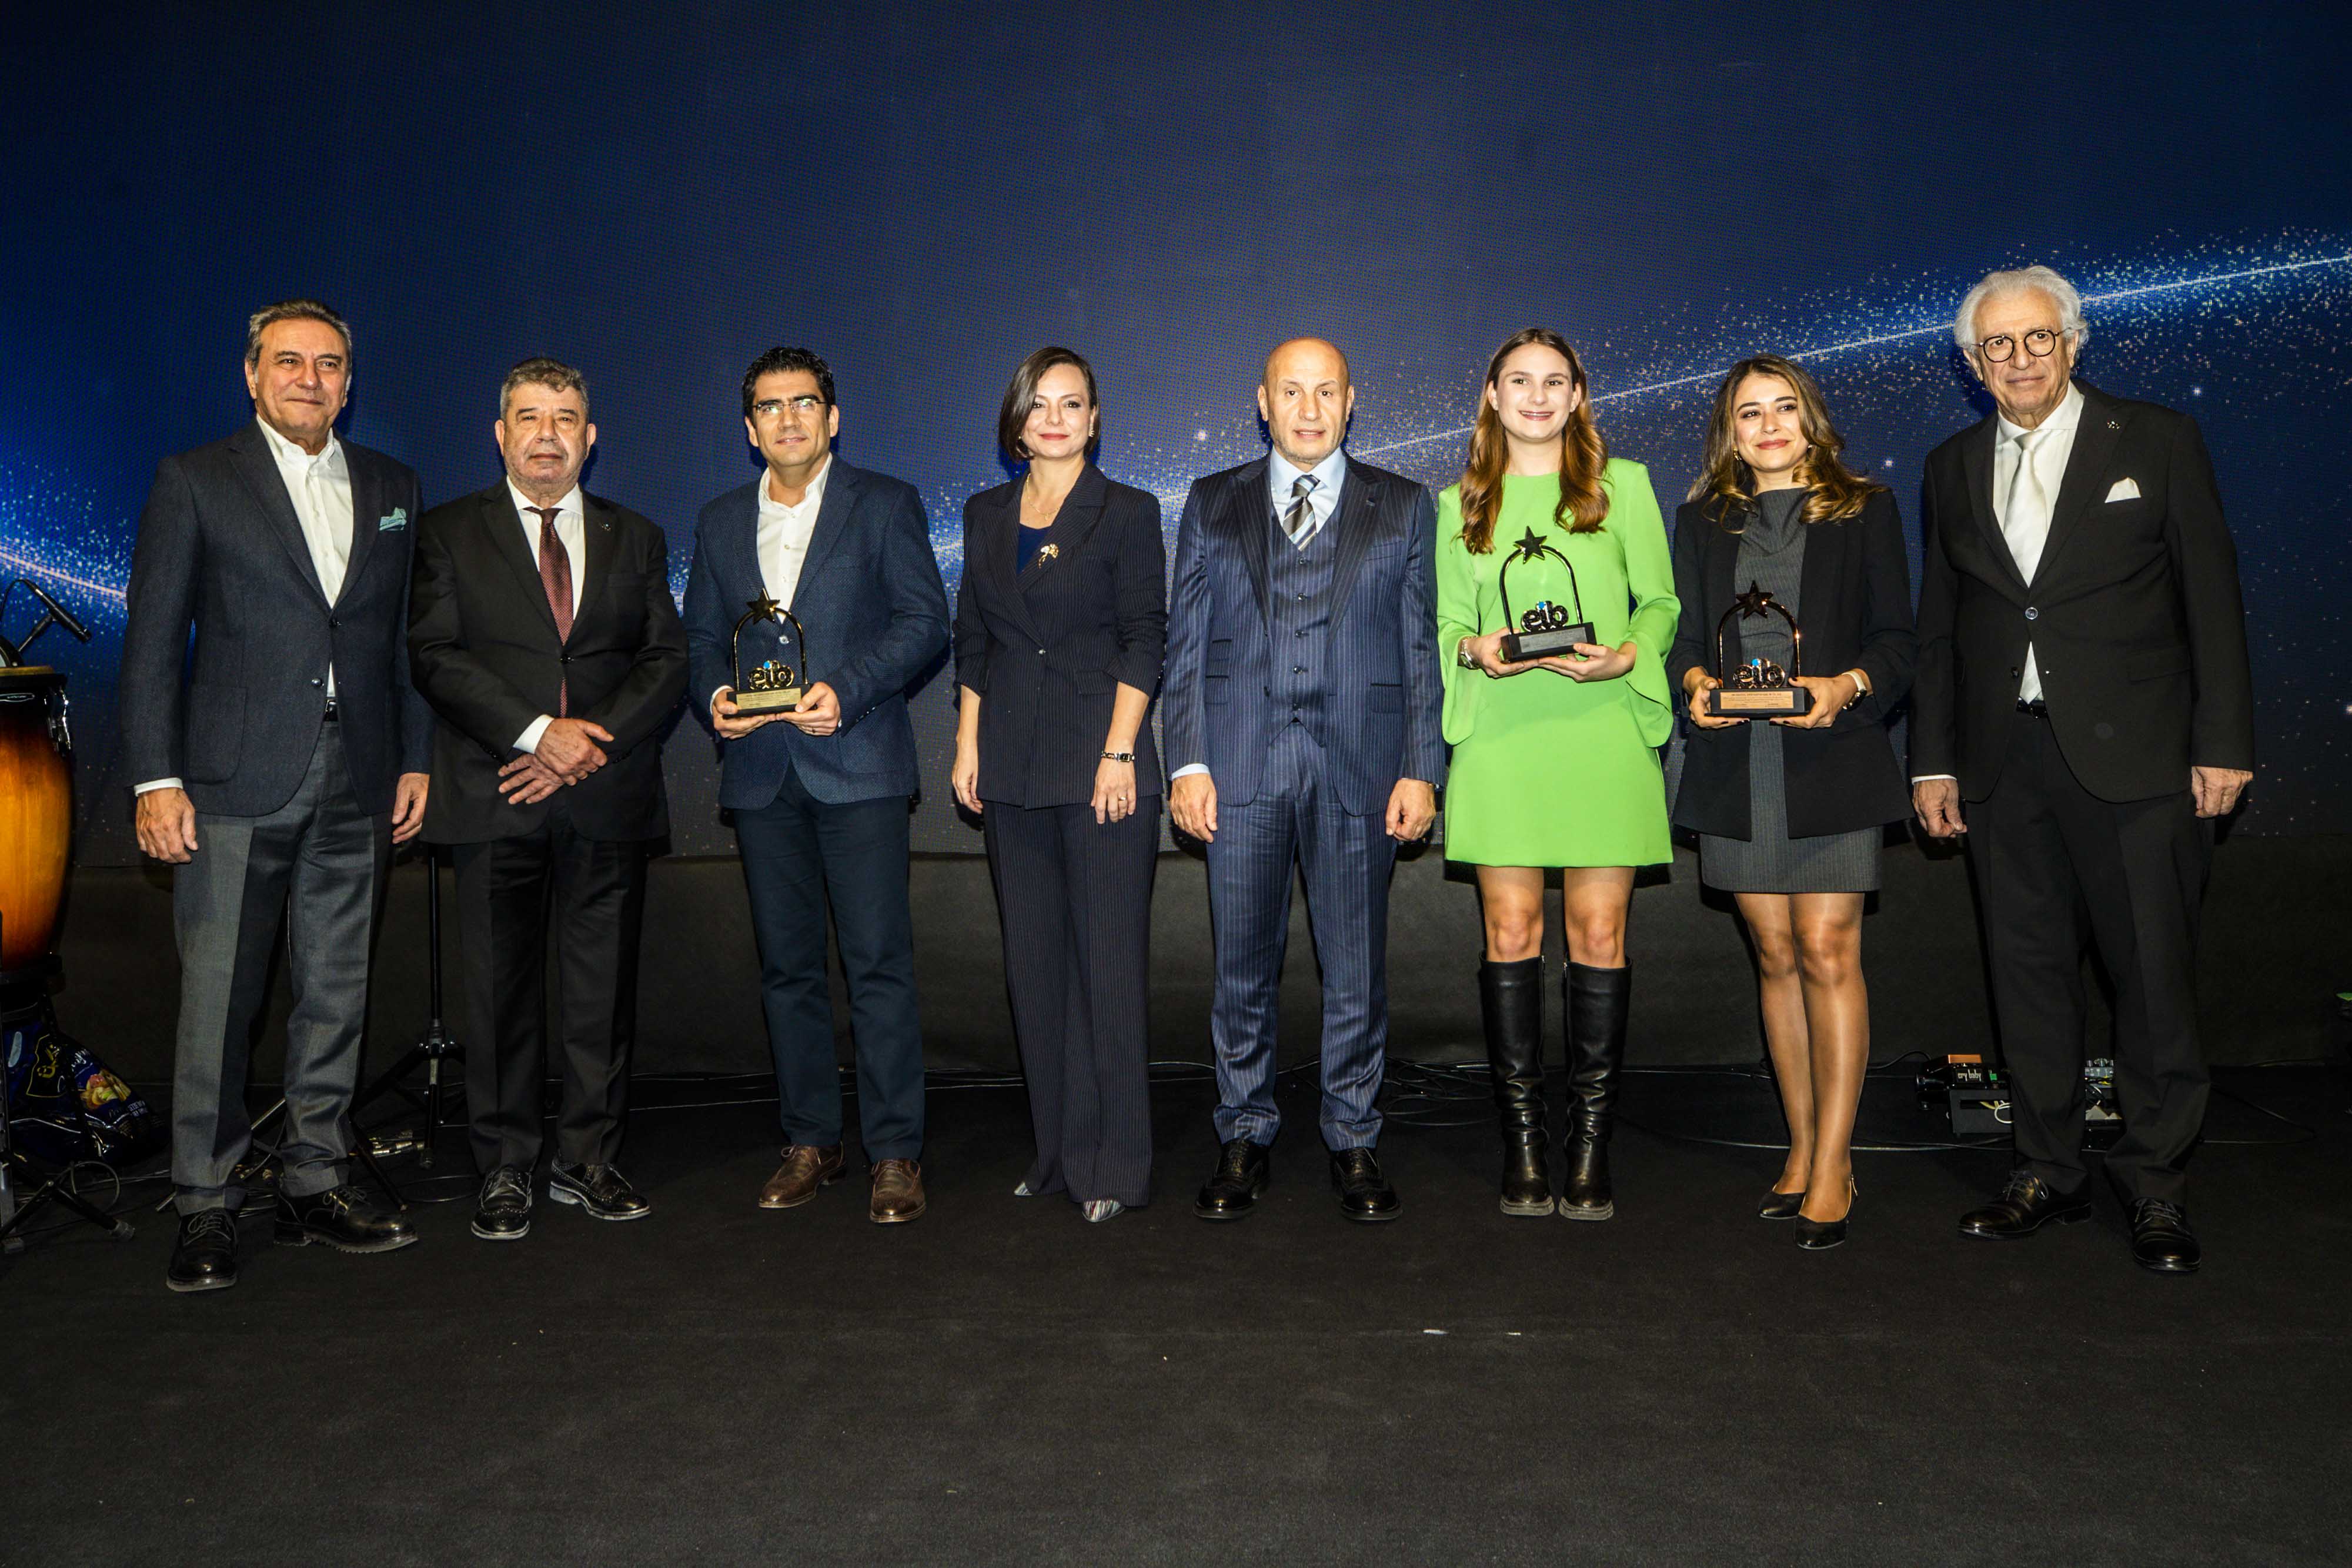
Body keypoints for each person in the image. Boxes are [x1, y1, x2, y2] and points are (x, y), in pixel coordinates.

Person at [1913, 265, 2254, 1275]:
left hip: (2140, 757)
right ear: (1972, 363)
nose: (2019, 359)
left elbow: (2212, 596)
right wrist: (1931, 762)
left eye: (2037, 338)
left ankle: (2155, 1185)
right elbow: (1941, 627)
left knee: (2151, 977)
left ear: (2073, 341)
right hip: (2001, 760)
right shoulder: (1950, 464)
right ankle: (2046, 1170)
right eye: (1997, 345)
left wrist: (2224, 741)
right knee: (2026, 977)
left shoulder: (2156, 439)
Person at [121, 299, 432, 1293]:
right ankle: (206, 1202)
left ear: (349, 382)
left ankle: (314, 1179)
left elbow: (401, 639)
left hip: (362, 772)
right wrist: (156, 778)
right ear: (252, 375)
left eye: (328, 363)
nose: (309, 378)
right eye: (288, 361)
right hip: (231, 781)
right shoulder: (195, 479)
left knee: (337, 992)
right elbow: (153, 640)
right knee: (220, 999)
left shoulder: (392, 485)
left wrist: (415, 758)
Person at [1162, 337, 1442, 1223]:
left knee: (1354, 970)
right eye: (1292, 391)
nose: (1310, 409)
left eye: (1327, 392)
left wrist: (1421, 769)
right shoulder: (1212, 501)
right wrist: (1188, 761)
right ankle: (1244, 1132)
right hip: (1240, 766)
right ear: (1264, 402)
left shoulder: (1404, 504)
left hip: (1362, 769)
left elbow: (1422, 648)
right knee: (1241, 970)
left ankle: (1353, 1137)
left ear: (1351, 402)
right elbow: (1185, 645)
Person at [407, 358, 687, 1241]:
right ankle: (504, 1166)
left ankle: (588, 1159)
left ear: (590, 439)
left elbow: (666, 662)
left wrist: (582, 747)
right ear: (501, 435)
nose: (547, 435)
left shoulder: (636, 536)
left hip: (605, 794)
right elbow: (435, 656)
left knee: (601, 993)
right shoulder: (447, 532)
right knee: (498, 995)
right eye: (530, 417)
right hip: (496, 791)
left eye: (565, 419)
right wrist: (536, 735)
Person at [683, 347, 950, 1224]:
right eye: (771, 406)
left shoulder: (886, 503)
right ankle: (811, 1140)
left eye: (804, 403)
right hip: (762, 773)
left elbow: (925, 621)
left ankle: (896, 1152)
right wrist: (713, 698)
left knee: (878, 965)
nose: (788, 418)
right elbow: (699, 641)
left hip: (859, 764)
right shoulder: (721, 520)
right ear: (749, 428)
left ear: (833, 419)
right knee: (787, 970)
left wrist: (852, 688)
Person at [1667, 354, 1915, 1251]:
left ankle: (1838, 1162)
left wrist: (1846, 685)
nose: (1768, 426)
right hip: (1739, 767)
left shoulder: (1866, 510)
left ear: (1810, 418)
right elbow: (1685, 642)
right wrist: (1696, 684)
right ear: (1729, 433)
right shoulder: (1703, 520)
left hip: (1832, 760)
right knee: (1774, 955)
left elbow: (1898, 642)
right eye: (1749, 414)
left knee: (1826, 950)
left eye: (1783, 408)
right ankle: (1803, 1145)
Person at [1435, 327, 1677, 1223]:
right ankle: (1526, 1147)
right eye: (1519, 381)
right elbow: (1446, 626)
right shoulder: (1457, 503)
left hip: (1601, 732)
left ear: (1578, 395)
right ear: (1492, 395)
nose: (1537, 397)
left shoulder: (1626, 487)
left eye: (1554, 382)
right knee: (1509, 930)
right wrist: (1478, 649)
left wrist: (1627, 656)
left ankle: (1589, 1149)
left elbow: (1661, 602)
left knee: (1600, 932)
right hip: (1503, 741)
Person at [951, 347, 1166, 1224]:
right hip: (1009, 762)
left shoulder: (1128, 511)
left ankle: (1112, 1165)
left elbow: (1145, 638)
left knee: (1104, 973)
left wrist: (1120, 753)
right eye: (1039, 404)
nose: (1054, 419)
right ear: (1016, 417)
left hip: (1099, 763)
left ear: (1094, 419)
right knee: (1035, 970)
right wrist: (967, 745)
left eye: (1071, 404)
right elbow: (974, 641)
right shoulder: (985, 514)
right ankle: (1055, 1156)